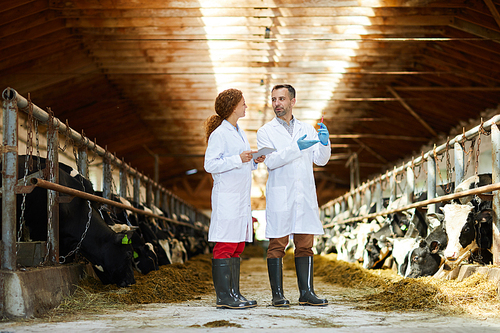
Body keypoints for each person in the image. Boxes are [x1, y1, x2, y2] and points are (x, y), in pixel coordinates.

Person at [256, 84, 331, 307]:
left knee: (305, 245)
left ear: (292, 101)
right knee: (277, 245)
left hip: (304, 195)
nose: (276, 104)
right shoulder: (265, 132)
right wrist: (296, 148)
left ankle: (307, 293)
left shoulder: (308, 129)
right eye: (273, 100)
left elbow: (321, 160)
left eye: (281, 99)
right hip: (281, 195)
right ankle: (277, 295)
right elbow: (271, 161)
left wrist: (325, 143)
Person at [204, 88, 265, 309]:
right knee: (226, 244)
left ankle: (234, 293)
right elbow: (210, 165)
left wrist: (255, 160)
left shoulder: (239, 131)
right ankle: (223, 298)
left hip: (240, 198)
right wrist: (237, 158)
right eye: (243, 103)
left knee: (238, 244)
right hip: (227, 197)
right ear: (233, 107)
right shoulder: (219, 134)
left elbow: (241, 162)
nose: (246, 106)